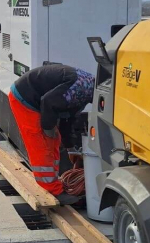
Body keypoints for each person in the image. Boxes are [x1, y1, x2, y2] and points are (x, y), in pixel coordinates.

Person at [8, 64, 95, 205]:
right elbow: (48, 101)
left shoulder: (85, 89)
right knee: (41, 143)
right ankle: (51, 189)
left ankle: (54, 182)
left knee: (54, 140)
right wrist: (48, 128)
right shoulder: (81, 89)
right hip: (25, 99)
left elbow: (68, 119)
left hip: (38, 101)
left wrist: (70, 148)